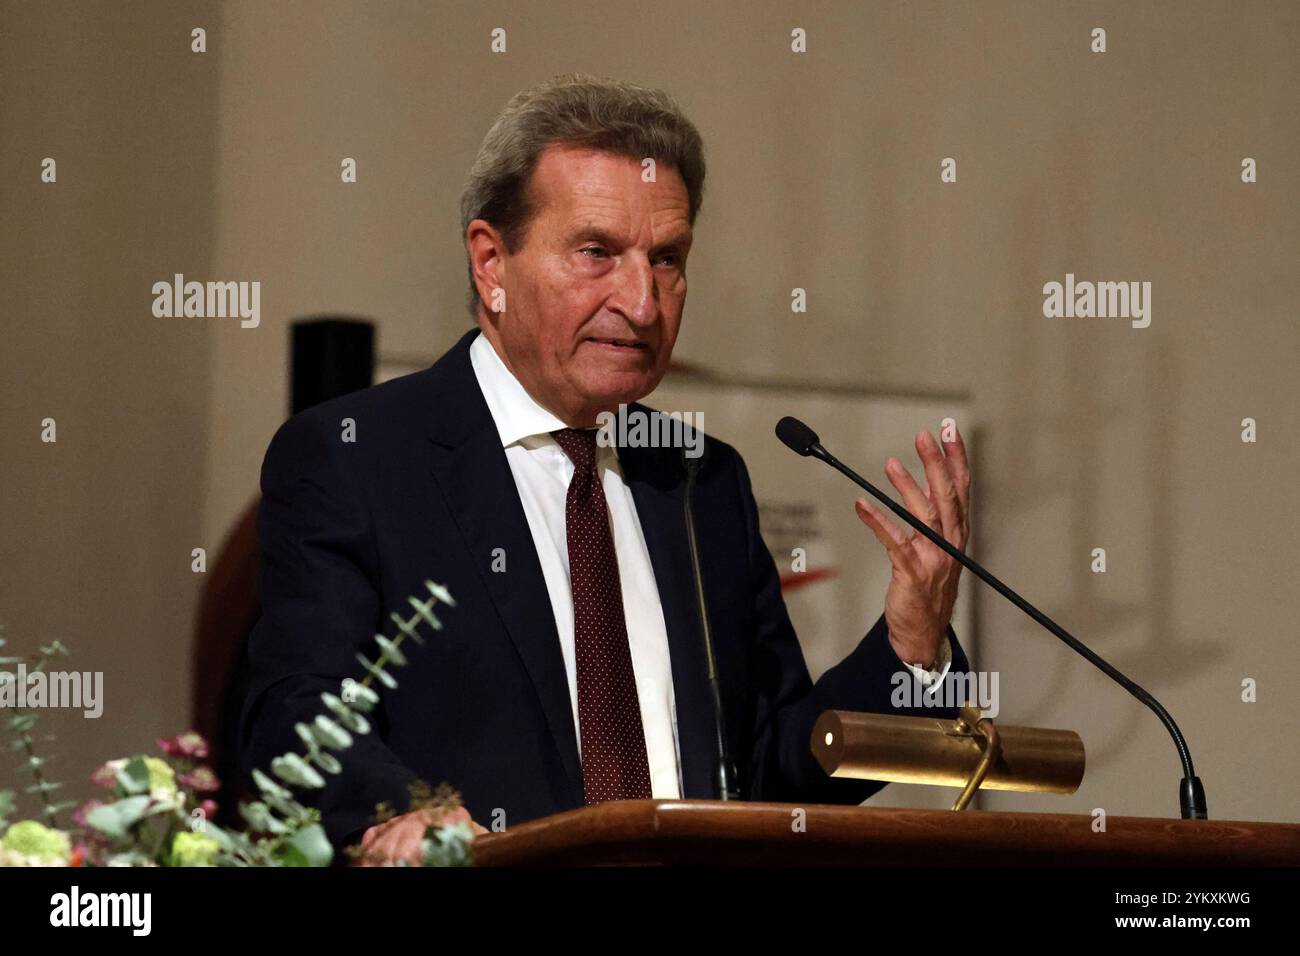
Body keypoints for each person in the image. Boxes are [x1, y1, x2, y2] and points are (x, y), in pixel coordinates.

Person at [240, 73, 973, 866]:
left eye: (667, 258)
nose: (644, 303)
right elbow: (297, 716)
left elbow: (773, 774)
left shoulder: (699, 481)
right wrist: (407, 819)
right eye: (598, 253)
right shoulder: (359, 459)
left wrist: (909, 647)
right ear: (491, 263)